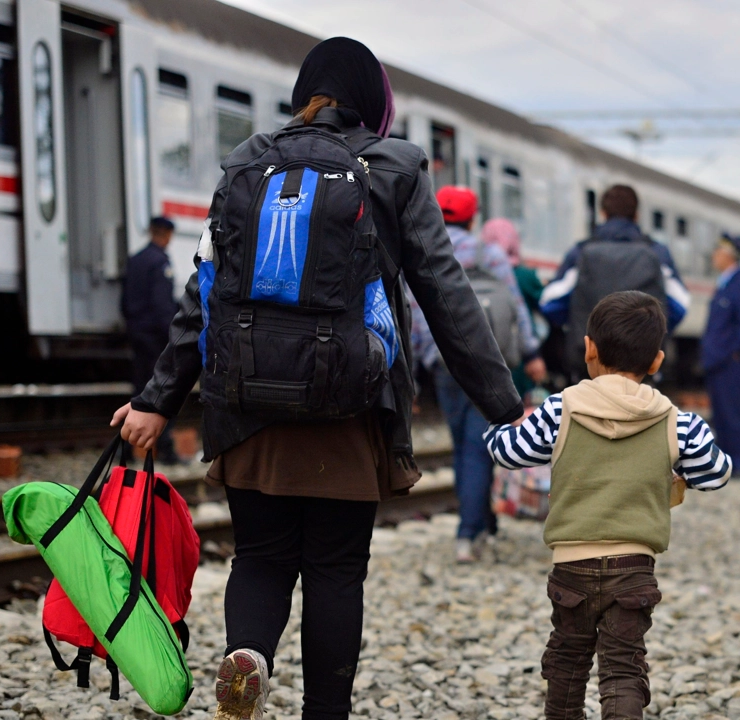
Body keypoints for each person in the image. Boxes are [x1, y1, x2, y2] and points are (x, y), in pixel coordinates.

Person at [111, 38, 523, 720]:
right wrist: (504, 406)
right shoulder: (395, 166)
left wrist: (158, 400)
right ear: (374, 100)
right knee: (335, 569)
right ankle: (325, 712)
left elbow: (203, 295)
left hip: (250, 409)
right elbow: (446, 296)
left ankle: (248, 654)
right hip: (347, 410)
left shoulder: (247, 160)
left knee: (262, 557)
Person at [486, 291, 732, 720]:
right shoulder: (678, 421)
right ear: (656, 361)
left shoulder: (560, 409)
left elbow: (508, 452)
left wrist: (493, 425)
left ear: (589, 349)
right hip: (634, 568)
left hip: (573, 567)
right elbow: (717, 473)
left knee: (567, 660)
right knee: (623, 668)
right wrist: (680, 468)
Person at [410, 187, 546, 564]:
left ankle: (477, 525)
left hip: (443, 361)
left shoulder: (421, 247)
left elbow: (414, 309)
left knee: (463, 446)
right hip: (488, 360)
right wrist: (531, 351)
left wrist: (418, 362)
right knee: (479, 446)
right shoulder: (491, 254)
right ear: (472, 219)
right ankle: (471, 531)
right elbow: (516, 306)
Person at [540, 184, 690, 382]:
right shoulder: (657, 253)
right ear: (636, 215)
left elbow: (550, 303)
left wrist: (576, 326)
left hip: (590, 364)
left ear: (603, 213)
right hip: (641, 366)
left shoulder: (581, 252)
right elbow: (680, 305)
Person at [701, 233, 740, 477]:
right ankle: (728, 463)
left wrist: (734, 352)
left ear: (728, 255)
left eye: (718, 252)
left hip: (732, 362)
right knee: (722, 415)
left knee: (736, 413)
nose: (714, 256)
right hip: (718, 361)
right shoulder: (724, 283)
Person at [121, 216, 180, 464]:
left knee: (139, 392)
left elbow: (124, 302)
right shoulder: (160, 262)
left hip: (137, 335)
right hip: (156, 338)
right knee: (164, 391)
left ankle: (125, 450)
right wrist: (174, 336)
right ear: (166, 235)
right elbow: (162, 305)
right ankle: (166, 450)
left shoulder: (135, 260)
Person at [481, 217, 546, 398]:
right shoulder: (525, 275)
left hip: (489, 345)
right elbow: (543, 303)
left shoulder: (481, 273)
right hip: (517, 349)